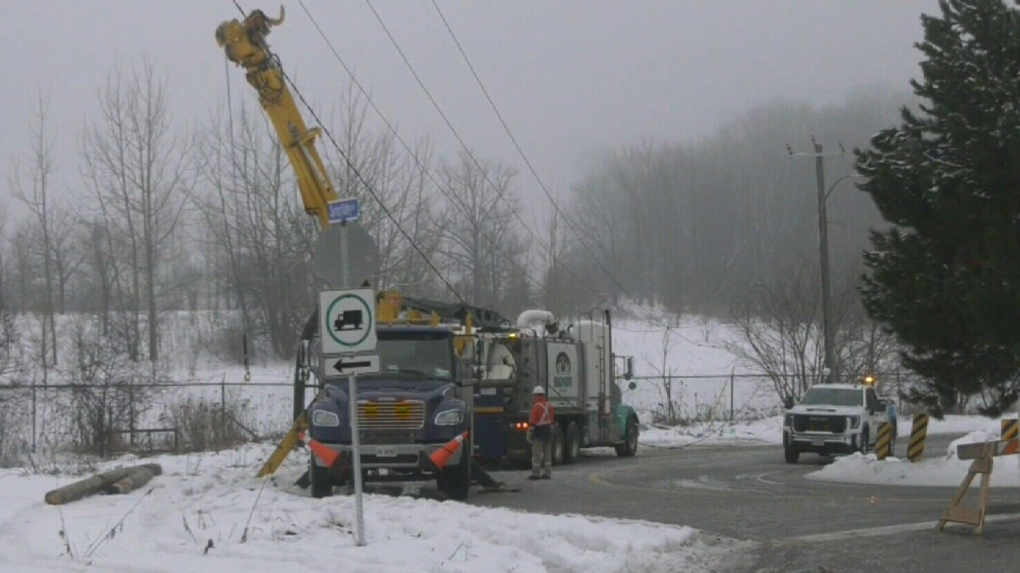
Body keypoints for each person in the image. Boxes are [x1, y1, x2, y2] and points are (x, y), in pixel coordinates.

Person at [528, 385, 555, 480]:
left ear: (536, 396)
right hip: (548, 432)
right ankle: (547, 473)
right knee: (547, 455)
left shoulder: (535, 407)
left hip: (538, 433)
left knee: (536, 455)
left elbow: (532, 423)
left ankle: (536, 474)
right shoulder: (549, 406)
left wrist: (529, 435)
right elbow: (551, 421)